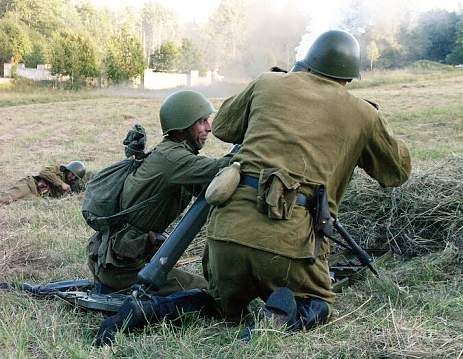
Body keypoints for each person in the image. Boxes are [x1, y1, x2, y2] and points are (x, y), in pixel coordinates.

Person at [95, 30, 411, 345]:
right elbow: (397, 172)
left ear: (308, 63)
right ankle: (270, 324)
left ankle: (144, 312)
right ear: (349, 77)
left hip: (226, 236)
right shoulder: (362, 114)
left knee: (217, 305)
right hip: (289, 243)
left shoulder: (268, 83)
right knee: (317, 302)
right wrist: (373, 122)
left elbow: (223, 127)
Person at [86, 90, 231, 296]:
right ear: (183, 126)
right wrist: (258, 145)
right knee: (211, 293)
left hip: (118, 261)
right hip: (123, 269)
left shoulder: (169, 153)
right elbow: (222, 167)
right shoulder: (173, 158)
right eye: (201, 121)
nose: (209, 128)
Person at [0, 161, 86, 205]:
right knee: (6, 198)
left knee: (12, 203)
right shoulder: (57, 169)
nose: (72, 177)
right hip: (30, 185)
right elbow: (44, 172)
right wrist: (61, 183)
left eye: (75, 177)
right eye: (72, 174)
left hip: (35, 196)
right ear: (68, 170)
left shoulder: (70, 186)